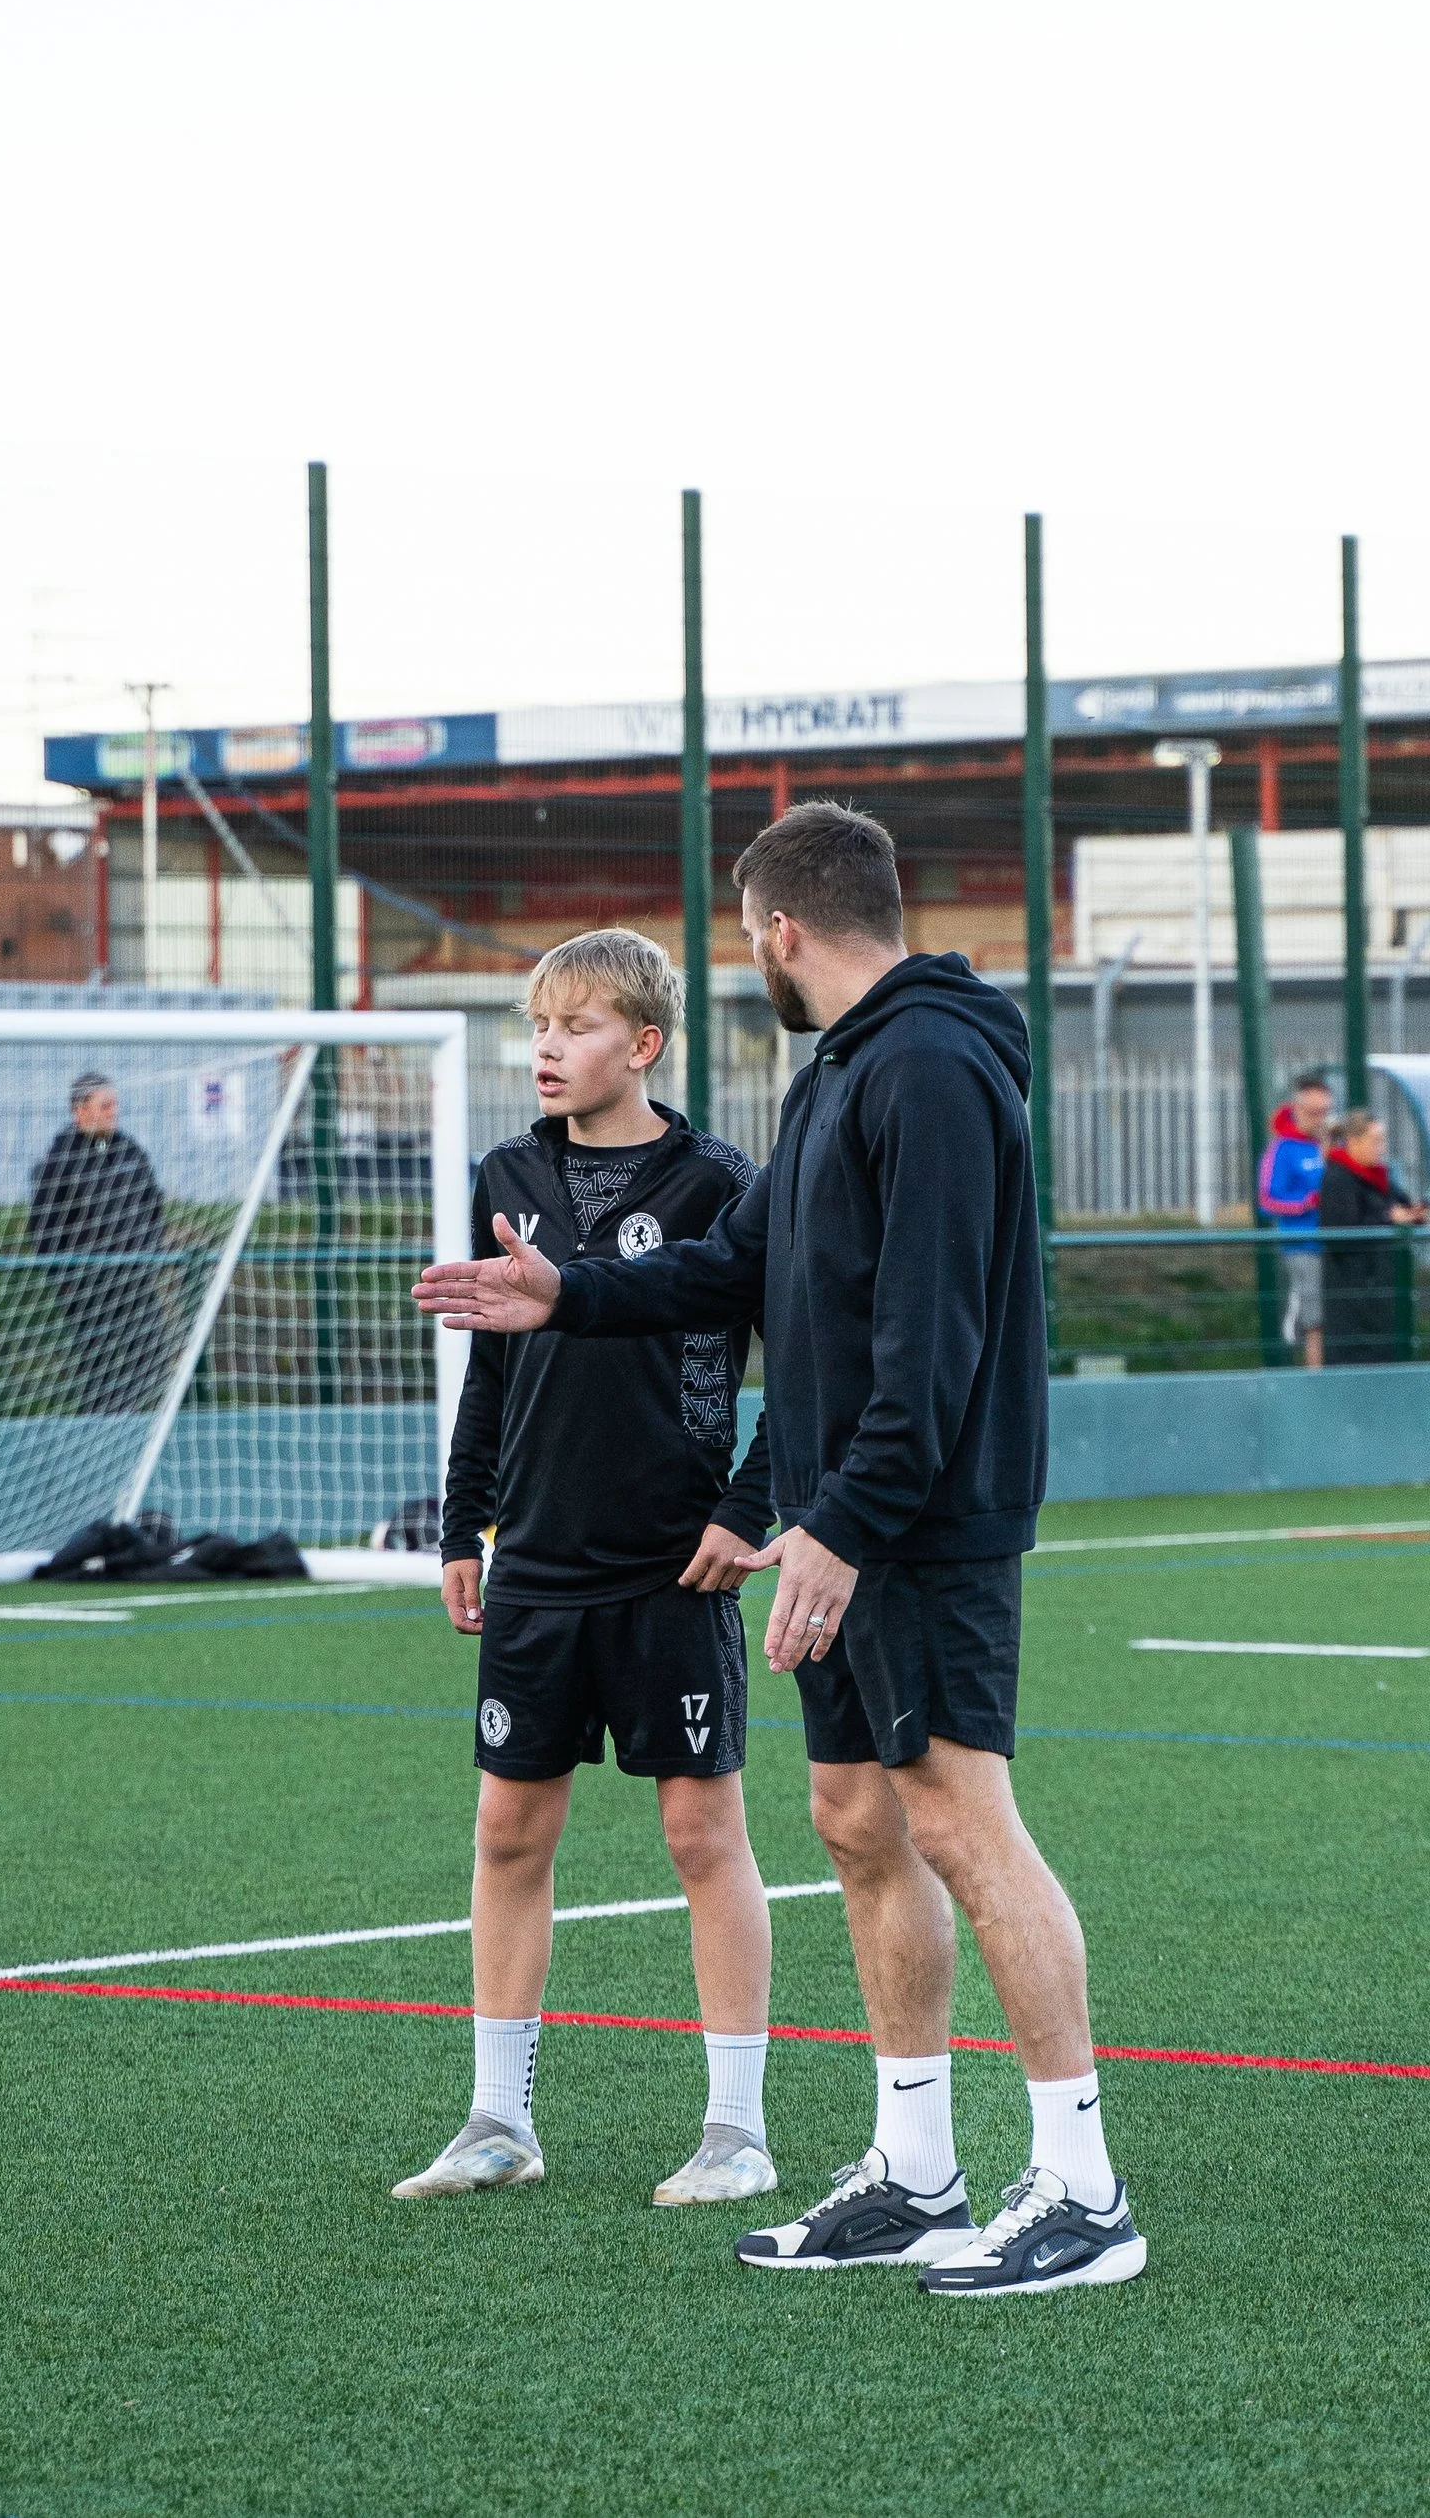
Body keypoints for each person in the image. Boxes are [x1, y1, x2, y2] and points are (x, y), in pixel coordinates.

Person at [415, 803, 1146, 2298]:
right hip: (839, 1522)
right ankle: (917, 2175)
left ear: (781, 928)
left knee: (960, 1822)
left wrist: (843, 1527)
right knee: (859, 1825)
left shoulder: (931, 1065)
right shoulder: (842, 1075)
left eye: (744, 926)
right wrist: (568, 1295)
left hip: (917, 1526)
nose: (747, 947)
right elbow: (737, 1265)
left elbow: (931, 1336)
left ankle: (1084, 2193)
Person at [393, 928, 778, 2212]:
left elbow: (805, 1374)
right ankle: (498, 2117)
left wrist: (747, 1506)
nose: (546, 1046)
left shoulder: (721, 1178)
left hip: (676, 1570)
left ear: (645, 1043)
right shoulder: (507, 1171)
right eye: (536, 1023)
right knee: (508, 1829)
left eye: (575, 1023)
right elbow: (489, 1364)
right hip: (539, 1566)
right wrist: (464, 1525)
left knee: (699, 1831)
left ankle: (737, 2128)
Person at [28, 1072, 171, 1411]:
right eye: (105, 1106)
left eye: (115, 1105)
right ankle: (101, 1433)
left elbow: (153, 1208)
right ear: (79, 1111)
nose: (113, 1112)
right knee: (98, 1368)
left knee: (151, 1359)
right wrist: (65, 1279)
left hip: (135, 1281)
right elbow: (44, 1227)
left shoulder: (130, 1151)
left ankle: (137, 1425)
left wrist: (148, 1256)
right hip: (88, 1287)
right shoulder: (60, 1158)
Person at [1315, 1110, 1430, 1367]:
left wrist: (1414, 1213)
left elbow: (1398, 1205)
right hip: (1353, 1295)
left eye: (1383, 1139)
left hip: (1379, 1289)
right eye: (1376, 1140)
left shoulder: (1378, 1176)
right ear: (1354, 1142)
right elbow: (1339, 1233)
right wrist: (1389, 1218)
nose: (1382, 1147)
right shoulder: (1338, 1178)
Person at [1257, 1075, 1335, 1368]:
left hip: (1336, 1245)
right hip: (1303, 1245)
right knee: (1317, 1322)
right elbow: (1267, 1201)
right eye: (1314, 1113)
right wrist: (1306, 1202)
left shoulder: (1331, 1144)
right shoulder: (1282, 1149)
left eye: (1325, 1112)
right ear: (1297, 1108)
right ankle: (1315, 1383)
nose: (1320, 1120)